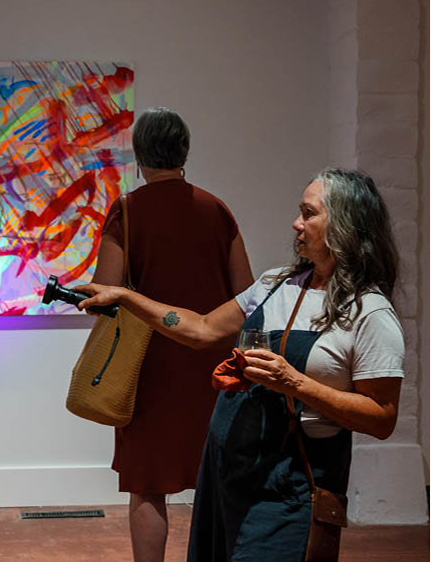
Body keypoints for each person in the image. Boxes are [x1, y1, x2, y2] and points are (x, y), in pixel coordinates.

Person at [77, 168, 404, 560]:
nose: (296, 223)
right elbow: (200, 329)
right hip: (228, 479)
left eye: (309, 213)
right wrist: (126, 298)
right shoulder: (276, 285)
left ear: (346, 225)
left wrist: (295, 383)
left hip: (289, 489)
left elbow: (382, 417)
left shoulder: (370, 313)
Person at [89, 107, 254, 562]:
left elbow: (107, 293)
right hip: (211, 362)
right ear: (184, 151)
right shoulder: (216, 209)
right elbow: (247, 293)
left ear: (139, 155)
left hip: (149, 366)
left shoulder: (126, 211)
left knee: (147, 485)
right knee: (215, 478)